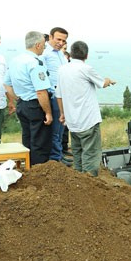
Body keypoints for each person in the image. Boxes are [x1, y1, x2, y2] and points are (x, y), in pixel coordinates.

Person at [56, 40, 115, 176]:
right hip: (88, 120)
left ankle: (78, 182)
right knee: (90, 154)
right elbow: (102, 83)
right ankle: (89, 182)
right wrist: (108, 80)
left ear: (70, 54)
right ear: (86, 56)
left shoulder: (62, 69)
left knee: (77, 153)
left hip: (72, 121)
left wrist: (62, 113)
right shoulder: (86, 69)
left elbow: (58, 95)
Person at [4, 31, 54, 166]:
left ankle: (28, 169)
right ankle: (39, 173)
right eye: (44, 45)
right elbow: (41, 92)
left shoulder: (15, 60)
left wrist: (17, 98)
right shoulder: (35, 63)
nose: (44, 48)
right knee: (40, 143)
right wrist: (48, 113)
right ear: (38, 45)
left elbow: (7, 84)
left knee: (27, 140)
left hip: (22, 104)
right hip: (36, 106)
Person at [42, 27, 70, 165]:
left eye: (63, 40)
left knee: (61, 128)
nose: (60, 43)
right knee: (55, 130)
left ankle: (59, 155)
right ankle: (55, 158)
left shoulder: (60, 54)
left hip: (63, 94)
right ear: (51, 37)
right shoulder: (45, 53)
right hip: (53, 94)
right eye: (58, 39)